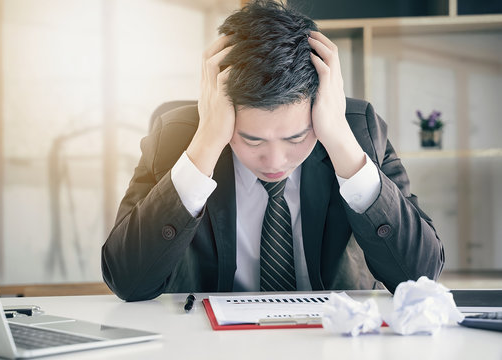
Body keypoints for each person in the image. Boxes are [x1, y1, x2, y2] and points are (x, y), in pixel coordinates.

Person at [101, 0, 444, 301]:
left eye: (296, 138)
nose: (275, 162)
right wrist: (206, 142)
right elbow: (128, 282)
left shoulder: (358, 132)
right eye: (252, 140)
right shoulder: (179, 139)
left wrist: (340, 140)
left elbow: (420, 276)